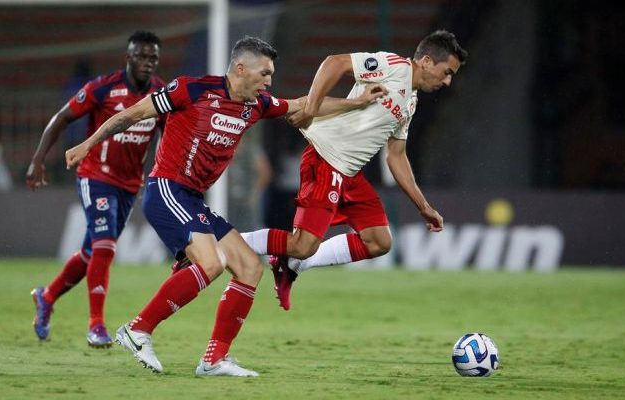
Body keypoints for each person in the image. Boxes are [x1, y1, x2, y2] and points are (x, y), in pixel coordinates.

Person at [64, 36, 386, 376]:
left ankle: (214, 359)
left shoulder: (257, 104)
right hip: (168, 190)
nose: (268, 81)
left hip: (192, 200)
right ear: (241, 68)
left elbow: (303, 105)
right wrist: (88, 144)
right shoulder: (191, 89)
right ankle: (138, 329)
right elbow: (133, 113)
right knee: (213, 262)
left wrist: (357, 102)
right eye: (265, 73)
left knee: (250, 268)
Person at [241, 30, 468, 311]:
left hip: (350, 173)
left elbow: (396, 156)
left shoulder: (410, 101)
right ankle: (224, 244)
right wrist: (311, 107)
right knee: (301, 244)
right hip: (326, 159)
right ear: (426, 61)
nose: (447, 81)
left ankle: (291, 265)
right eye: (447, 72)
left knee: (379, 241)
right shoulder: (393, 66)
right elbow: (334, 62)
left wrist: (423, 206)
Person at [27, 31, 164, 347]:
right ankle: (96, 325)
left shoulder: (159, 94)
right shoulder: (104, 88)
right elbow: (62, 118)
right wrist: (37, 160)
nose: (146, 63)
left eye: (152, 58)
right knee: (104, 246)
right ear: (127, 58)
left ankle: (46, 297)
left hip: (129, 185)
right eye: (141, 56)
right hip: (96, 176)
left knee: (92, 252)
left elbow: (168, 133)